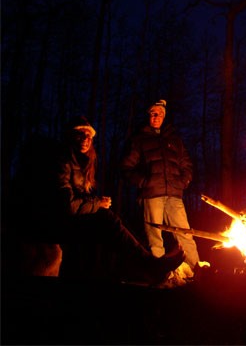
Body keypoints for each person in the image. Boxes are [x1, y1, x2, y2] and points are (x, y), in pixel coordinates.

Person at [55, 115, 184, 283]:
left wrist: (97, 201)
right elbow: (68, 206)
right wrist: (96, 204)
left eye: (89, 136)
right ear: (71, 136)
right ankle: (151, 266)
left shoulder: (80, 163)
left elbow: (79, 197)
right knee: (107, 220)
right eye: (81, 134)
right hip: (59, 222)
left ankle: (139, 269)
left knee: (114, 221)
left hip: (72, 218)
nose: (86, 139)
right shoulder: (63, 161)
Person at [121, 99, 200, 271]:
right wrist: (144, 181)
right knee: (154, 237)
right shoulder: (139, 139)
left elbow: (186, 165)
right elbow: (126, 167)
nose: (156, 116)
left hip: (174, 195)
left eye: (160, 113)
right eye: (153, 113)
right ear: (149, 115)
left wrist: (183, 181)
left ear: (164, 116)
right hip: (151, 195)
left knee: (184, 233)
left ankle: (196, 270)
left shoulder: (174, 140)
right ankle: (159, 273)